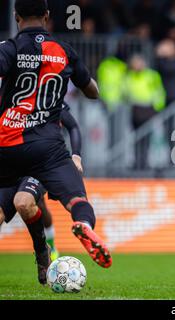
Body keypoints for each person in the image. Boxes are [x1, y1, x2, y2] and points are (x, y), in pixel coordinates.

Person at [0, 0, 112, 283]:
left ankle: (43, 254)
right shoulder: (64, 51)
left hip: (7, 145)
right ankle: (83, 225)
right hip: (46, 149)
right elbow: (93, 92)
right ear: (47, 16)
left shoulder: (9, 48)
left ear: (16, 17)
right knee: (77, 199)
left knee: (23, 202)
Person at [41, 102, 84, 261]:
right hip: (13, 157)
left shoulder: (50, 96)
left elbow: (72, 126)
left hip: (48, 160)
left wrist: (76, 156)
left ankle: (50, 246)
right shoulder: (10, 96)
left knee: (35, 203)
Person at [124, 54, 166, 170]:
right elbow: (125, 91)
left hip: (148, 108)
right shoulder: (129, 76)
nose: (137, 65)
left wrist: (157, 107)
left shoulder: (152, 75)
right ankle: (137, 162)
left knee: (147, 138)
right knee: (136, 137)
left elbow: (159, 91)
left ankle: (145, 162)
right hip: (135, 108)